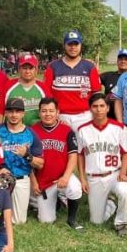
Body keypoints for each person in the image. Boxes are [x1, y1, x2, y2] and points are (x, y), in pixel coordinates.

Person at [77, 93, 127, 236]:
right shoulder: (82, 129)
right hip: (93, 177)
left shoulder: (119, 128)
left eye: (102, 106)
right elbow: (80, 155)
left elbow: (126, 152)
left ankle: (121, 223)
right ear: (90, 109)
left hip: (114, 174)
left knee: (125, 191)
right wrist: (82, 179)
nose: (99, 110)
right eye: (95, 106)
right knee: (96, 222)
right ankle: (111, 204)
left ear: (108, 108)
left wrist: (123, 173)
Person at [30, 97, 84, 231]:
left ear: (57, 112)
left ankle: (71, 219)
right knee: (46, 221)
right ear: (39, 112)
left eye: (51, 111)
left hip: (61, 177)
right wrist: (34, 182)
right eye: (44, 111)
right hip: (43, 181)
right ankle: (58, 201)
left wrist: (66, 176)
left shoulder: (67, 130)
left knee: (75, 188)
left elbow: (73, 156)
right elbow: (28, 160)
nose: (47, 114)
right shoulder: (32, 131)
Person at [0, 98, 44, 224]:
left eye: (17, 111)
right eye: (10, 111)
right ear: (5, 113)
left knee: (19, 221)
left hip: (22, 178)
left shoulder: (30, 133)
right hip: (1, 178)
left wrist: (27, 155)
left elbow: (40, 163)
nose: (14, 115)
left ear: (23, 114)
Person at [43, 30, 101, 132]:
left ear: (80, 46)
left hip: (85, 116)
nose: (73, 47)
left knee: (84, 147)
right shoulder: (53, 66)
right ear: (64, 46)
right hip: (60, 116)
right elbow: (47, 94)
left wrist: (96, 115)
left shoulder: (90, 67)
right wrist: (54, 115)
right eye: (70, 44)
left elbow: (96, 94)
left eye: (76, 44)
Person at [0, 54, 51, 126]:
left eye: (31, 68)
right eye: (24, 68)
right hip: (13, 130)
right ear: (19, 69)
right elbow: (1, 110)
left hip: (36, 131)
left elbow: (50, 109)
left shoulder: (42, 87)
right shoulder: (9, 85)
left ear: (36, 70)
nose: (27, 71)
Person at [100, 48, 127, 120]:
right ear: (117, 61)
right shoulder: (108, 75)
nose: (123, 61)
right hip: (109, 118)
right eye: (120, 59)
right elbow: (91, 79)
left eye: (126, 59)